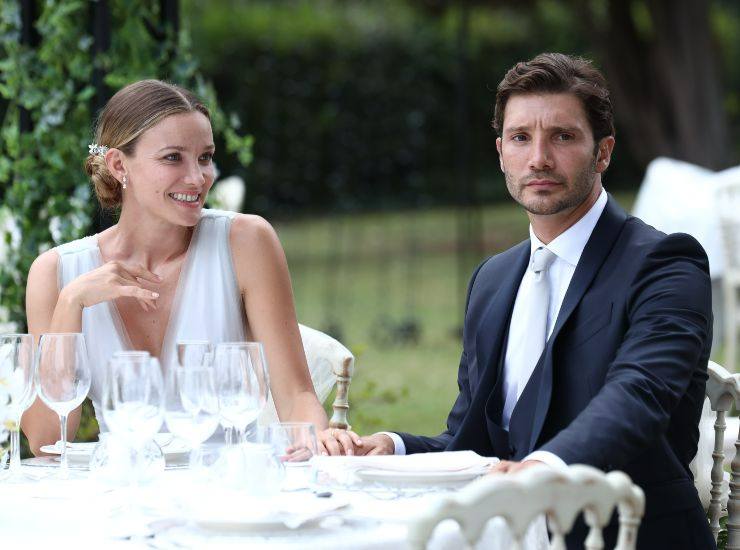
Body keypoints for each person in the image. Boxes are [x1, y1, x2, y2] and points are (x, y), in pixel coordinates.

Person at [356, 54, 715, 548]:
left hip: (625, 536)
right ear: (501, 152)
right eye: (521, 138)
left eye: (562, 137)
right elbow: (473, 441)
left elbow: (639, 395)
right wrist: (394, 448)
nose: (539, 158)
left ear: (603, 152)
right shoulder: (492, 280)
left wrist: (544, 469)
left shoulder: (665, 262)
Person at [21, 79, 359, 457]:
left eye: (204, 157)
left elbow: (296, 397)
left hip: (230, 483)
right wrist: (70, 304)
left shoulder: (246, 242)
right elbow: (46, 442)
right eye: (173, 158)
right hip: (124, 485)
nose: (198, 178)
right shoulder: (56, 273)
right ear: (118, 165)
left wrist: (318, 438)